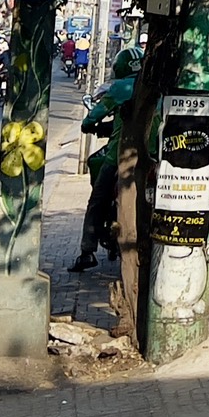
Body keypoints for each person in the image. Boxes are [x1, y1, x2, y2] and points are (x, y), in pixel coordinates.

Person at [67, 47, 140, 272]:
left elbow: (93, 117)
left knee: (96, 202)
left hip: (119, 155)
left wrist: (88, 125)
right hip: (152, 154)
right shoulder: (153, 88)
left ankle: (87, 251)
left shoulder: (120, 88)